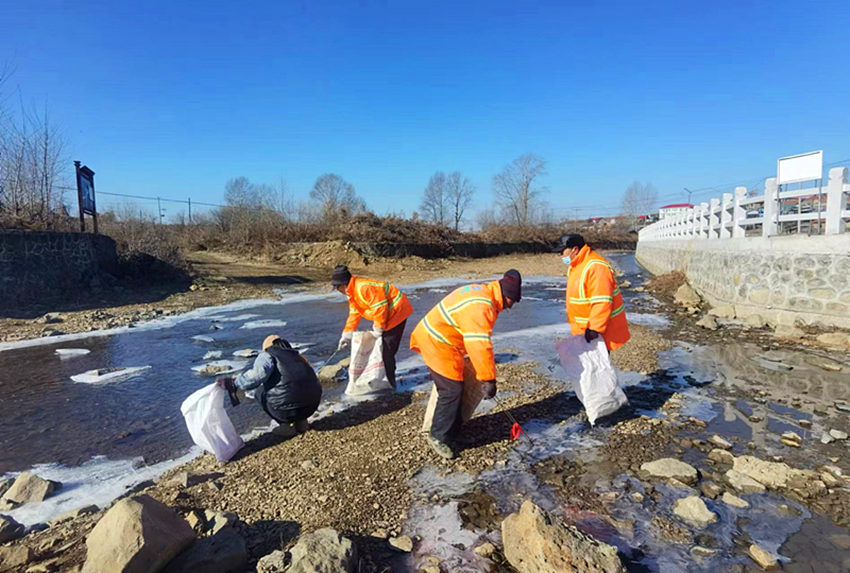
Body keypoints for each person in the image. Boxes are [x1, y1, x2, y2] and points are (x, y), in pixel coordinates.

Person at [409, 270, 522, 459]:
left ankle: (451, 431)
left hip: (445, 340)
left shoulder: (484, 293)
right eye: (512, 301)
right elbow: (479, 343)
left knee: (456, 385)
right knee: (451, 390)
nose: (510, 306)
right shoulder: (483, 305)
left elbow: (471, 334)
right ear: (507, 295)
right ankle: (438, 436)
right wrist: (488, 379)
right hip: (436, 340)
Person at [218, 334, 322, 438]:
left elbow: (257, 376)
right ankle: (302, 423)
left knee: (259, 392)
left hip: (285, 410)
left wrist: (235, 382)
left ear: (267, 347)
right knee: (298, 386)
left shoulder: (267, 355)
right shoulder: (296, 355)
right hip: (312, 406)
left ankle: (285, 426)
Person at [332, 265, 414, 388]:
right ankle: (384, 380)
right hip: (388, 314)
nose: (338, 291)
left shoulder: (363, 288)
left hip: (397, 311)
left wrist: (378, 329)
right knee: (383, 349)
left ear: (343, 285)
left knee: (386, 351)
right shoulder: (352, 293)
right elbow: (354, 313)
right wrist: (347, 334)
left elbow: (380, 308)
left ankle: (390, 384)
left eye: (337, 288)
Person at [558, 233, 630, 350]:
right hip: (583, 331)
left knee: (598, 361)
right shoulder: (576, 265)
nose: (560, 255)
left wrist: (594, 329)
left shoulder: (595, 267)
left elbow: (602, 301)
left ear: (575, 250)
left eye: (562, 252)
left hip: (599, 333)